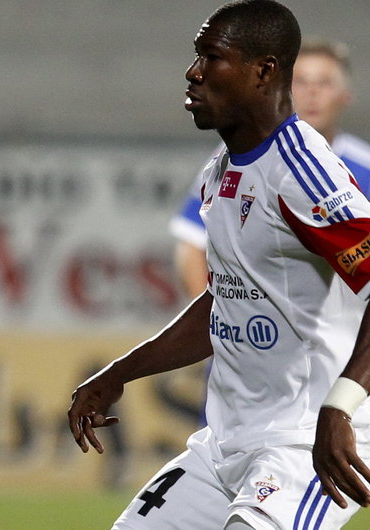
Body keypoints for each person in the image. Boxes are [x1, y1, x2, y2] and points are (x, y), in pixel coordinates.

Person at [68, 1, 370, 528]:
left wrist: (342, 403)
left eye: (212, 57)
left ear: (264, 71)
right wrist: (121, 372)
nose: (193, 73)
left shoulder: (302, 172)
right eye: (196, 56)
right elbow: (227, 299)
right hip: (223, 445)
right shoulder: (221, 170)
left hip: (305, 444)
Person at [170, 37, 370, 299]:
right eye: (300, 81)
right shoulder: (237, 157)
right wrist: (210, 326)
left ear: (346, 95)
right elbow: (192, 245)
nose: (312, 92)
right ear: (281, 89)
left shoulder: (364, 167)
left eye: (324, 83)